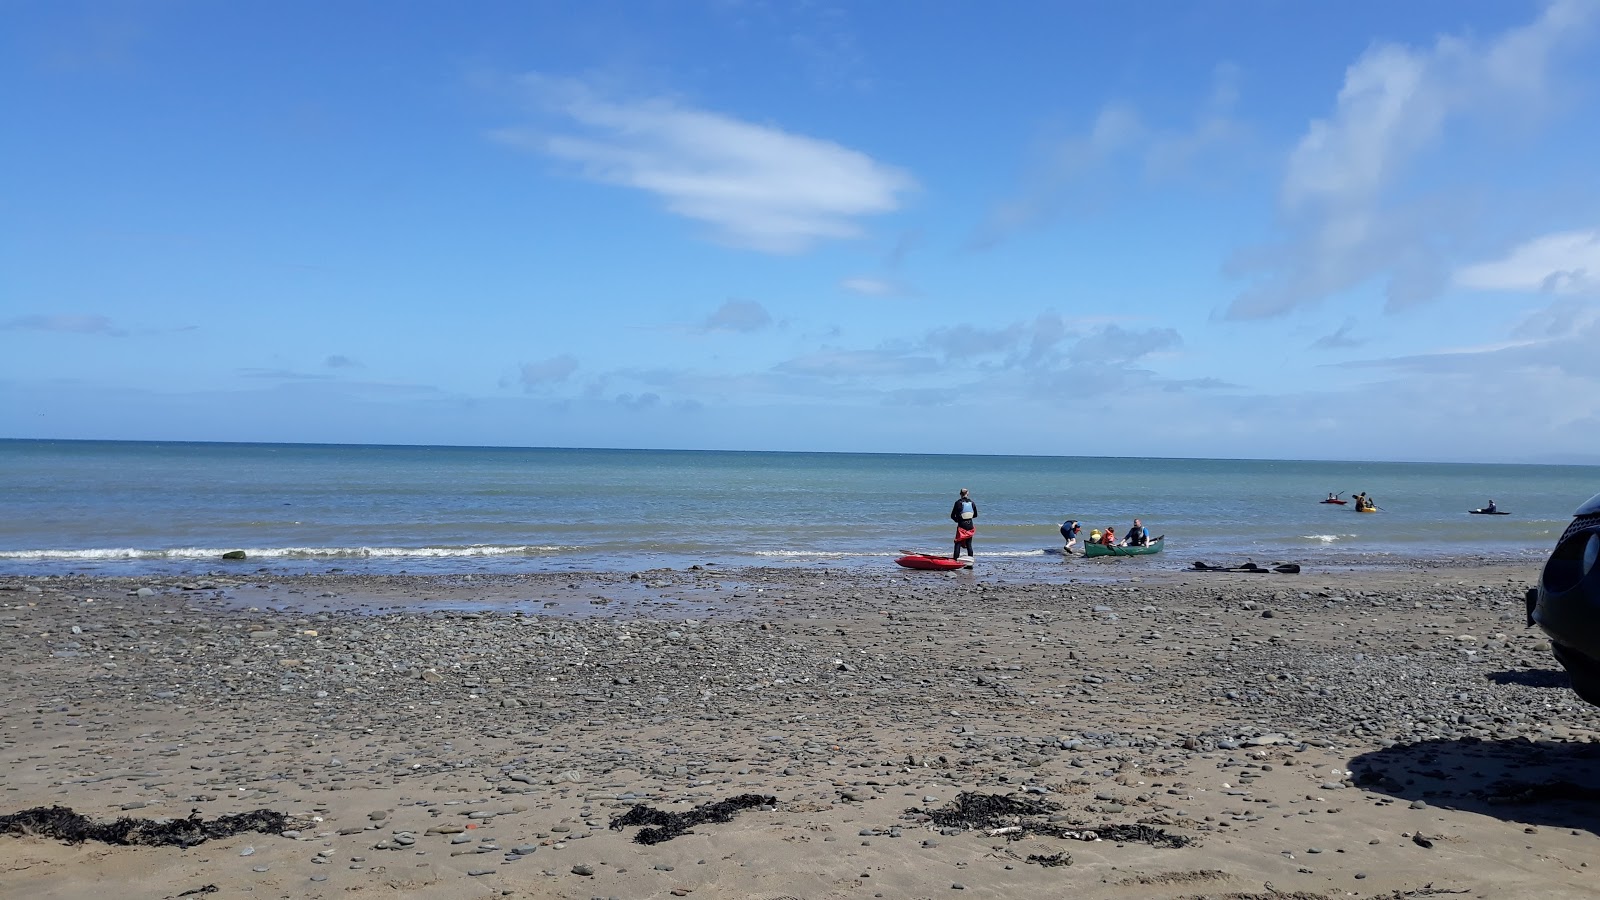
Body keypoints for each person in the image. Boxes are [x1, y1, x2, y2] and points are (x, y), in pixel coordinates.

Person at [950, 488, 977, 559]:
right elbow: (975, 515)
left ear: (960, 494)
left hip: (962, 525)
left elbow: (952, 516)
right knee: (969, 544)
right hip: (970, 525)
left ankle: (955, 560)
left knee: (957, 543)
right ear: (967, 493)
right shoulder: (972, 503)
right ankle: (970, 563)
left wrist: (957, 520)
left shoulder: (958, 503)